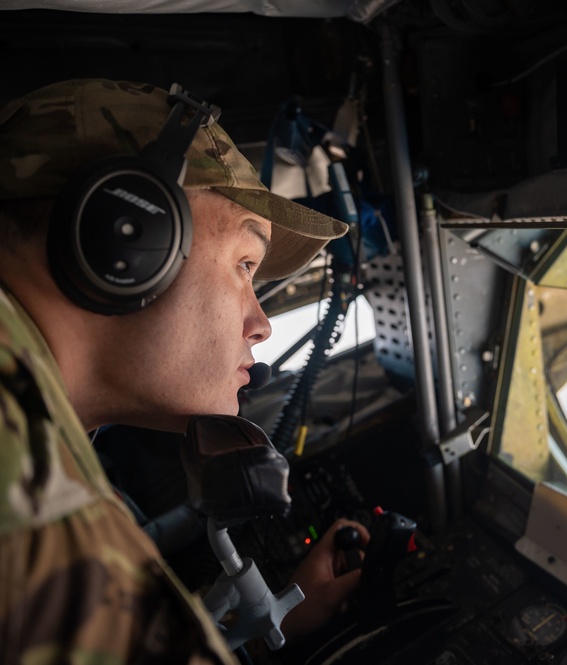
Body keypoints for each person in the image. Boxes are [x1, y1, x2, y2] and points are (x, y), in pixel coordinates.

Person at [0, 79, 370, 662]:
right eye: (246, 265)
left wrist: (268, 625)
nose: (262, 324)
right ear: (126, 233)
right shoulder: (39, 498)